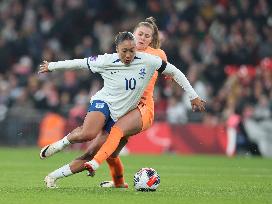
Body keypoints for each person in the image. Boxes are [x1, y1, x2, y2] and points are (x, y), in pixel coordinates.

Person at [40, 29, 205, 189]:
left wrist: (193, 96)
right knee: (88, 133)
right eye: (124, 51)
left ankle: (53, 177)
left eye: (131, 50)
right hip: (104, 102)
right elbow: (79, 63)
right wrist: (52, 66)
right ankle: (60, 145)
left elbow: (175, 72)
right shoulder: (106, 60)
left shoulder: (148, 61)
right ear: (117, 49)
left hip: (121, 115)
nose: (128, 55)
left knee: (92, 153)